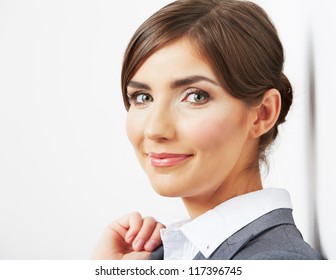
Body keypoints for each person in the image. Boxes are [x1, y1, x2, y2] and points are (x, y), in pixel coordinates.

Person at [92, 0, 323, 260]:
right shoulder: (160, 254)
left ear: (262, 113)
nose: (155, 129)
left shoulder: (278, 264)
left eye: (196, 96)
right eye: (143, 97)